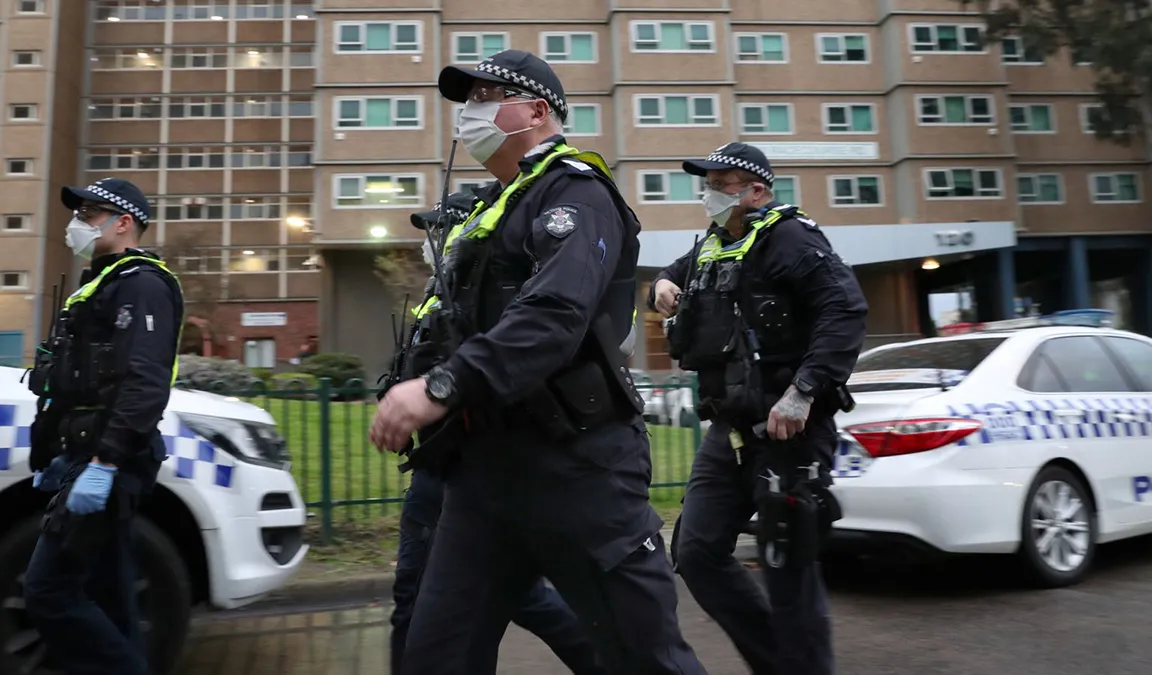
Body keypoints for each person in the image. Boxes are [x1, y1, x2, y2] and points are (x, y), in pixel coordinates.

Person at [369, 49, 706, 675]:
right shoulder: (493, 209)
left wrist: (442, 386)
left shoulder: (574, 193)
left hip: (578, 470)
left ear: (536, 110)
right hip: (483, 476)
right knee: (434, 655)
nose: (469, 114)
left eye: (483, 97)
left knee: (646, 659)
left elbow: (554, 313)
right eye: (466, 101)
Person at [652, 142, 868, 675]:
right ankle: (779, 663)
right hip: (728, 429)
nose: (710, 193)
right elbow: (676, 270)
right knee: (697, 554)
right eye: (707, 183)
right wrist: (662, 281)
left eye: (721, 183)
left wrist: (804, 391)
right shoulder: (712, 244)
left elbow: (844, 309)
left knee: (787, 566)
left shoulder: (790, 238)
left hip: (788, 430)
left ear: (758, 191)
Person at [388, 194, 607, 675]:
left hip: (471, 466)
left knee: (467, 603)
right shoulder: (436, 291)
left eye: (441, 228)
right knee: (425, 597)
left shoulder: (483, 289)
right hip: (436, 461)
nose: (432, 241)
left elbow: (494, 362)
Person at [22, 177, 184, 675]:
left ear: (123, 223)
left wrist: (103, 462)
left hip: (107, 461)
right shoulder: (105, 283)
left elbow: (143, 384)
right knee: (110, 597)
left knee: (47, 589)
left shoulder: (141, 284)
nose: (77, 224)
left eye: (89, 214)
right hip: (86, 457)